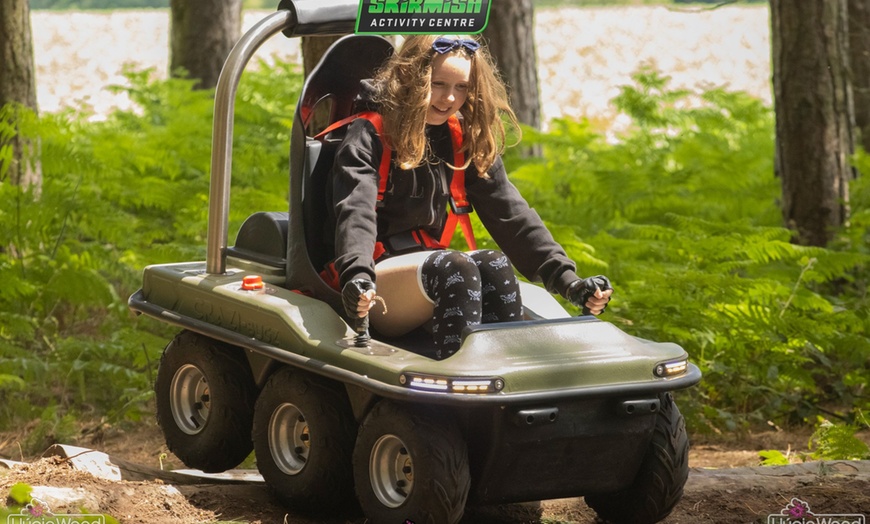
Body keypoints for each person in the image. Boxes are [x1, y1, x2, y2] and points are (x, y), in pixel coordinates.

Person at [329, 34, 612, 359]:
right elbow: (356, 213)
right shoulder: (368, 134)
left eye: (461, 87)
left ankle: (505, 378)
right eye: (437, 83)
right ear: (412, 77)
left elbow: (511, 215)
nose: (449, 98)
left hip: (430, 268)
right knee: (455, 267)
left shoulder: (460, 136)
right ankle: (460, 390)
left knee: (494, 263)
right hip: (373, 278)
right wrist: (357, 276)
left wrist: (568, 281)